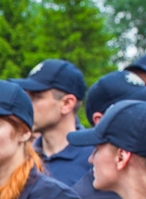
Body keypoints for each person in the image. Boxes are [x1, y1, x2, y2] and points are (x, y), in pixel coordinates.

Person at [15, 59, 93, 187]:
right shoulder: (21, 157)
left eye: (36, 97)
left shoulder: (94, 158)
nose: (26, 105)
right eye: (26, 97)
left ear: (67, 103)